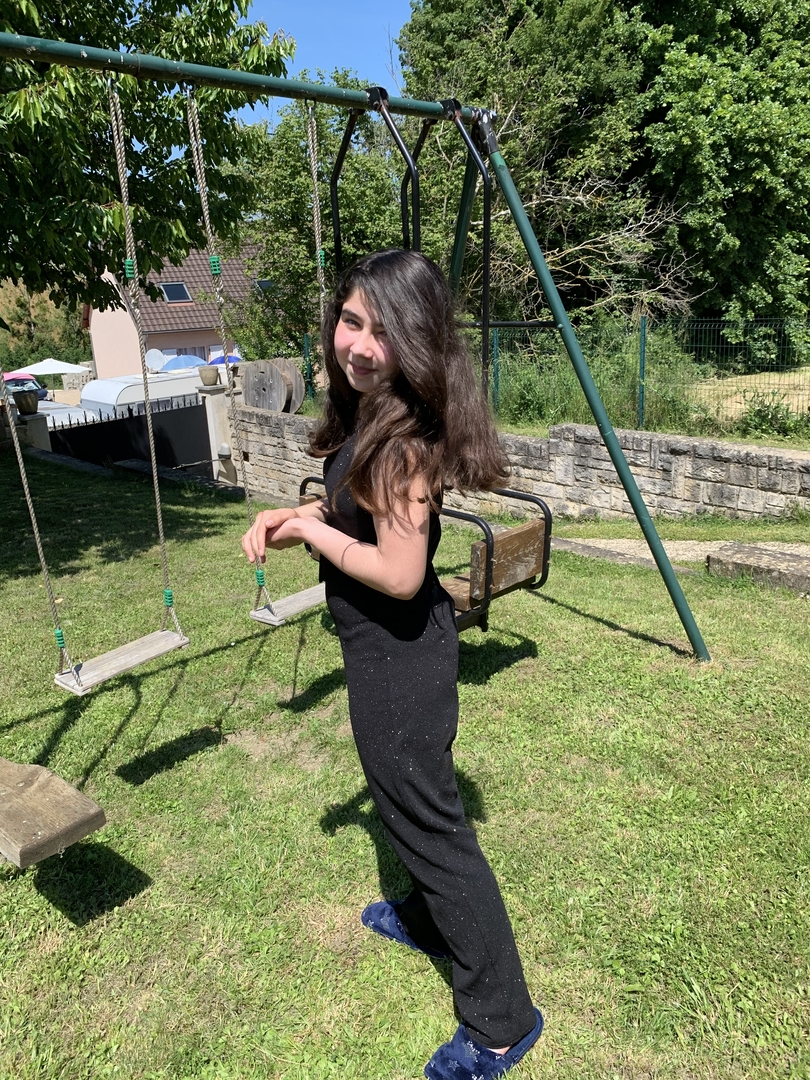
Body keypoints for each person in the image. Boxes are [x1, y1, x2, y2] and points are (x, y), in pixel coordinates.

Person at [241, 249, 543, 1079]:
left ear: (418, 341)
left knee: (435, 832)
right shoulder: (372, 416)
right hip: (388, 654)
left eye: (384, 331)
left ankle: (502, 1022)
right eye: (351, 321)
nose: (361, 345)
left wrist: (311, 532)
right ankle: (433, 920)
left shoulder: (403, 441)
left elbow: (400, 572)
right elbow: (355, 515)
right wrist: (295, 515)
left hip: (399, 660)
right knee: (405, 807)